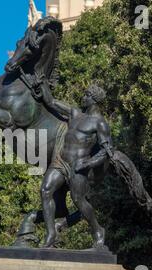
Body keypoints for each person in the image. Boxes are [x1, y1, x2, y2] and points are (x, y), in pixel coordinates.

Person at [40, 85, 112, 248]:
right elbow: (51, 102)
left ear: (94, 100)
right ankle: (51, 234)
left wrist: (88, 163)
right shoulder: (75, 113)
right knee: (45, 190)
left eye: (86, 95)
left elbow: (107, 151)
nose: (83, 98)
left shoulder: (100, 123)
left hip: (78, 166)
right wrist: (40, 85)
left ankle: (98, 230)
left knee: (78, 200)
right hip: (60, 162)